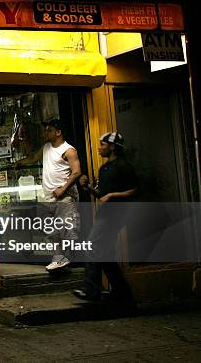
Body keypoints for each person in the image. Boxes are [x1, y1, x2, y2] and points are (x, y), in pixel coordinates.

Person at [73, 132, 137, 303]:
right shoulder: (104, 169)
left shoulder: (124, 166)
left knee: (92, 247)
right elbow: (102, 196)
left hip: (116, 215)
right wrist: (87, 187)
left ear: (113, 146)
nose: (99, 148)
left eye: (102, 144)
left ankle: (90, 288)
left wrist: (113, 195)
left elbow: (134, 190)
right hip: (105, 214)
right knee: (106, 256)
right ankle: (123, 293)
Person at [15, 118, 81, 272]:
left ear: (58, 132)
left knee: (68, 230)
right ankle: (58, 259)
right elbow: (33, 158)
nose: (46, 133)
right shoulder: (46, 147)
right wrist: (20, 163)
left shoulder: (69, 150)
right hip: (48, 198)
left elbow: (77, 171)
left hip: (64, 198)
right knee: (53, 231)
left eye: (49, 130)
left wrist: (63, 189)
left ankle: (71, 260)